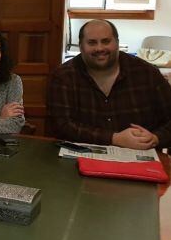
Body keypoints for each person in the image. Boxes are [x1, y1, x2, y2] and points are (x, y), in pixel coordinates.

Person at [48, 19, 171, 149]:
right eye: (92, 43)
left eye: (106, 41)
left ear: (117, 43)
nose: (100, 48)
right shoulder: (63, 76)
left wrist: (156, 138)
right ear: (81, 46)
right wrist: (114, 138)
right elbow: (62, 125)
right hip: (82, 158)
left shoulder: (147, 73)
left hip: (142, 157)